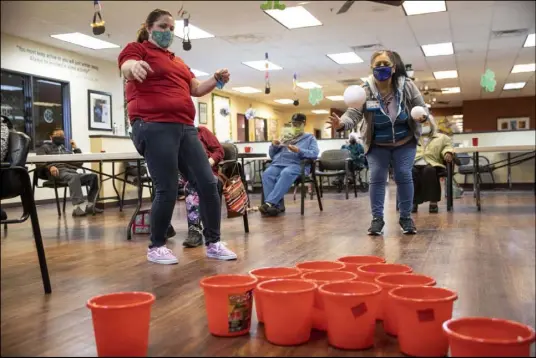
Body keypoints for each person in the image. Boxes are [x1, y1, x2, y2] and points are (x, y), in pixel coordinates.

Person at [118, 8, 236, 264]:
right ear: (149, 28)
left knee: (209, 183)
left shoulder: (178, 61)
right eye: (163, 27)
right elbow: (126, 65)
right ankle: (156, 246)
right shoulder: (138, 49)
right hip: (153, 125)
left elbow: (195, 88)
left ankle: (214, 242)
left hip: (185, 127)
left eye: (172, 29)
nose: (168, 32)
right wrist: (133, 66)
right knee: (167, 187)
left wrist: (215, 79)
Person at [328, 50, 429, 235]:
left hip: (404, 140)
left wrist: (423, 116)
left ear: (393, 67)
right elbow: (353, 113)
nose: (382, 68)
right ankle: (377, 220)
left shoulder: (406, 85)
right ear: (371, 68)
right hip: (377, 144)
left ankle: (406, 218)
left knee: (404, 174)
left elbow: (420, 106)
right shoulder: (365, 90)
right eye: (378, 65)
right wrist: (341, 123)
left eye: (386, 64)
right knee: (376, 178)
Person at [260, 113, 319, 217]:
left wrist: (299, 150)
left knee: (286, 173)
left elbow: (314, 154)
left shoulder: (310, 138)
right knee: (267, 174)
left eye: (298, 124)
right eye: (293, 124)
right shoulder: (285, 137)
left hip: (297, 165)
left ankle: (270, 203)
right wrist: (273, 146)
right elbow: (273, 155)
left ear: (304, 124)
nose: (295, 126)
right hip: (279, 163)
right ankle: (276, 207)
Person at [36, 129, 102, 217]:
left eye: (62, 135)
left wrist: (76, 148)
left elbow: (79, 163)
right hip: (57, 172)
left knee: (93, 177)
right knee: (73, 177)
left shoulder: (66, 150)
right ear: (51, 137)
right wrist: (50, 167)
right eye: (57, 135)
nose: (60, 137)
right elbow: (39, 162)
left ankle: (90, 206)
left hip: (71, 172)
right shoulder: (44, 148)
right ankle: (77, 208)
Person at [182, 126, 224, 248]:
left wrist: (207, 164)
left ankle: (194, 230)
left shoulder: (200, 131)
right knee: (163, 186)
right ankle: (164, 229)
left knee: (193, 185)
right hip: (183, 174)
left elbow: (219, 151)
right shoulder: (173, 136)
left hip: (208, 173)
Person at [412, 116, 454, 213]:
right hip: (415, 162)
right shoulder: (414, 137)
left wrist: (448, 153)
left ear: (432, 124)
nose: (423, 125)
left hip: (433, 163)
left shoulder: (442, 137)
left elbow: (448, 146)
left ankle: (433, 202)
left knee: (429, 170)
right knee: (411, 172)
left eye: (426, 123)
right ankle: (413, 202)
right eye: (420, 123)